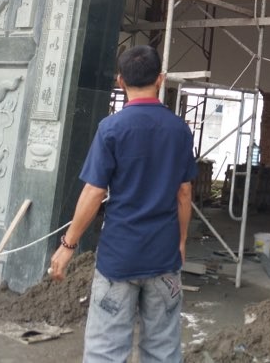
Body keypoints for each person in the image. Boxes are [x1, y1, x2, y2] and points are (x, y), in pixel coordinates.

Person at [50, 46, 196, 363]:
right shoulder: (179, 130)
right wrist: (181, 241)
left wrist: (68, 244)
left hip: (119, 258)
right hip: (163, 257)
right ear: (160, 79)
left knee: (106, 352)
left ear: (120, 81)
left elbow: (94, 192)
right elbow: (184, 193)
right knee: (163, 351)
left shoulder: (111, 128)